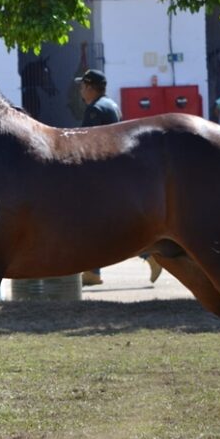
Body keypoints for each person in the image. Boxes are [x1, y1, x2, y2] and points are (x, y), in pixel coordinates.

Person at [74, 69, 161, 286]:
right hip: (117, 172)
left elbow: (89, 144)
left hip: (101, 176)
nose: (81, 91)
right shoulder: (112, 105)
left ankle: (147, 255)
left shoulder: (94, 110)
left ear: (90, 87)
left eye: (82, 87)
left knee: (92, 223)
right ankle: (92, 271)